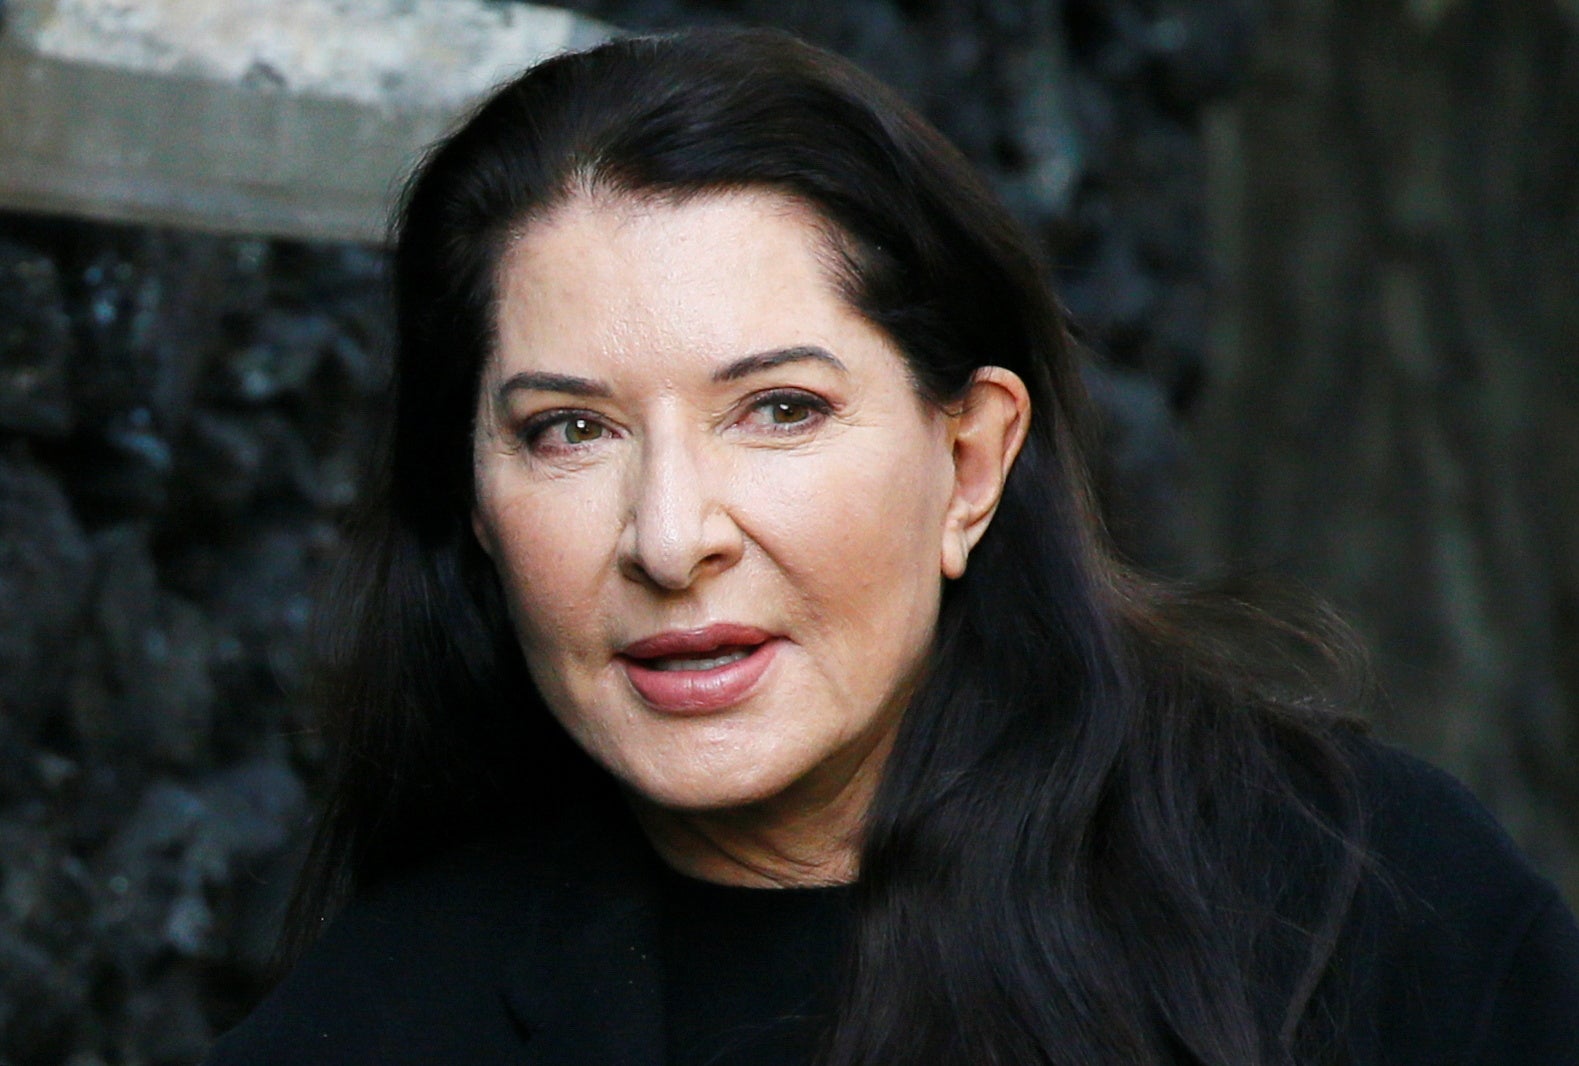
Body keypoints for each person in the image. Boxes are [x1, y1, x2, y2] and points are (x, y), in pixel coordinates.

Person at [206, 27, 1579, 1066]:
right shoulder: (387, 1012)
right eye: (569, 430)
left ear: (971, 459)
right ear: (476, 501)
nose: (672, 536)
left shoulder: (1367, 908)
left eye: (779, 409)